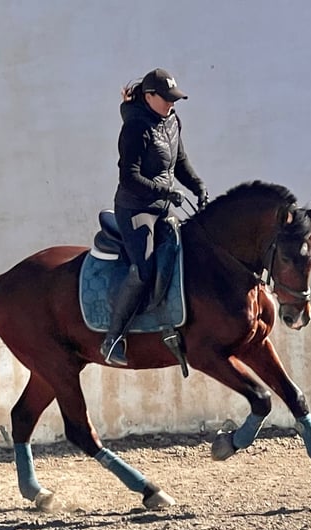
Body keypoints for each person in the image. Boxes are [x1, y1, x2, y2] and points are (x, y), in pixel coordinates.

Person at [100, 67, 208, 366]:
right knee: (143, 269)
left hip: (162, 206)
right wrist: (164, 192)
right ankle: (112, 339)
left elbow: (181, 162)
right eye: (166, 99)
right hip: (136, 209)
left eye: (174, 99)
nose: (171, 104)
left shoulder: (172, 121)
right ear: (149, 97)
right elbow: (129, 177)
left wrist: (197, 185)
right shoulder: (135, 128)